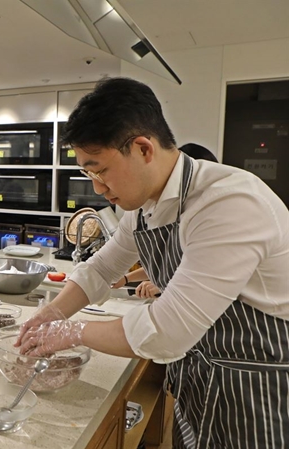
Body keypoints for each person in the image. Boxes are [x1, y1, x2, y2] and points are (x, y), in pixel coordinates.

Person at [16, 77, 289, 448]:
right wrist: (51, 316)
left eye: (100, 170)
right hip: (199, 376)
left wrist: (73, 333)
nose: (97, 187)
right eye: (87, 173)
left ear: (143, 148)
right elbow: (100, 269)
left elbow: (167, 331)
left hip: (258, 388)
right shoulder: (145, 207)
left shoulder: (228, 202)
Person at [112, 142, 219, 298]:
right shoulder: (157, 212)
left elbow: (205, 277)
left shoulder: (212, 219)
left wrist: (163, 286)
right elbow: (166, 266)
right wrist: (127, 278)